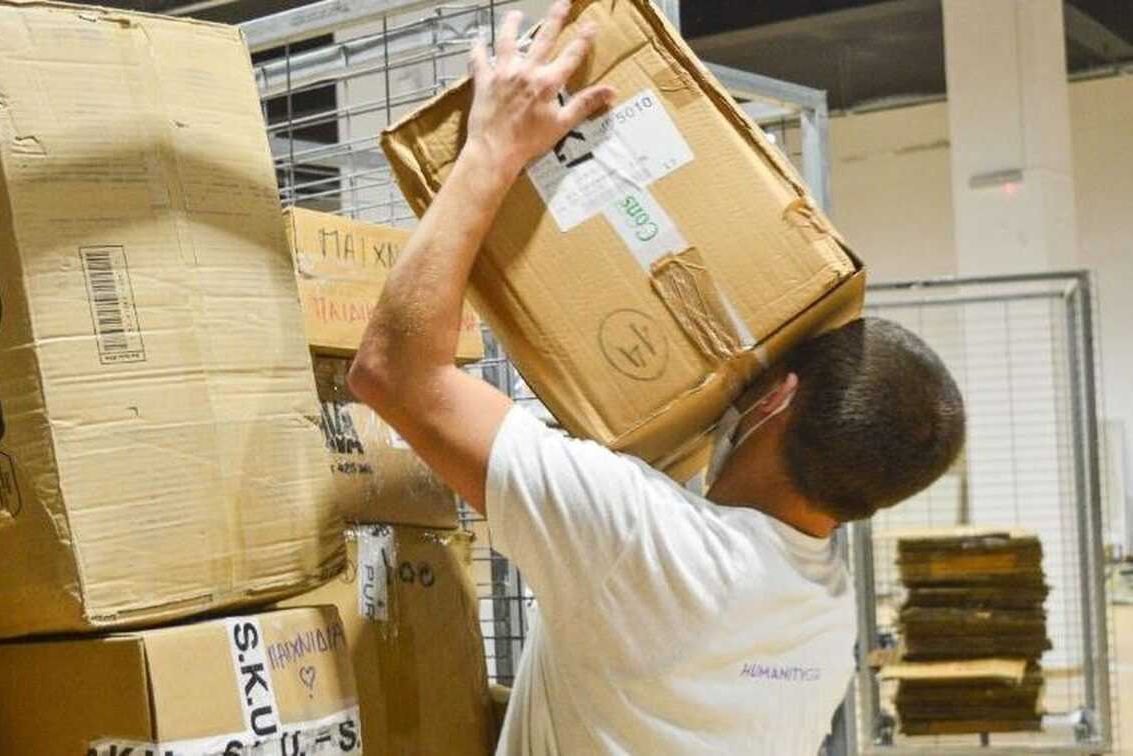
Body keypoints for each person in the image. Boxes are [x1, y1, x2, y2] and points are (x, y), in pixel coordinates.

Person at [347, 2, 966, 753]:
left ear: (777, 397)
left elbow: (393, 373)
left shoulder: (641, 539)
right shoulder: (825, 615)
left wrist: (490, 152)